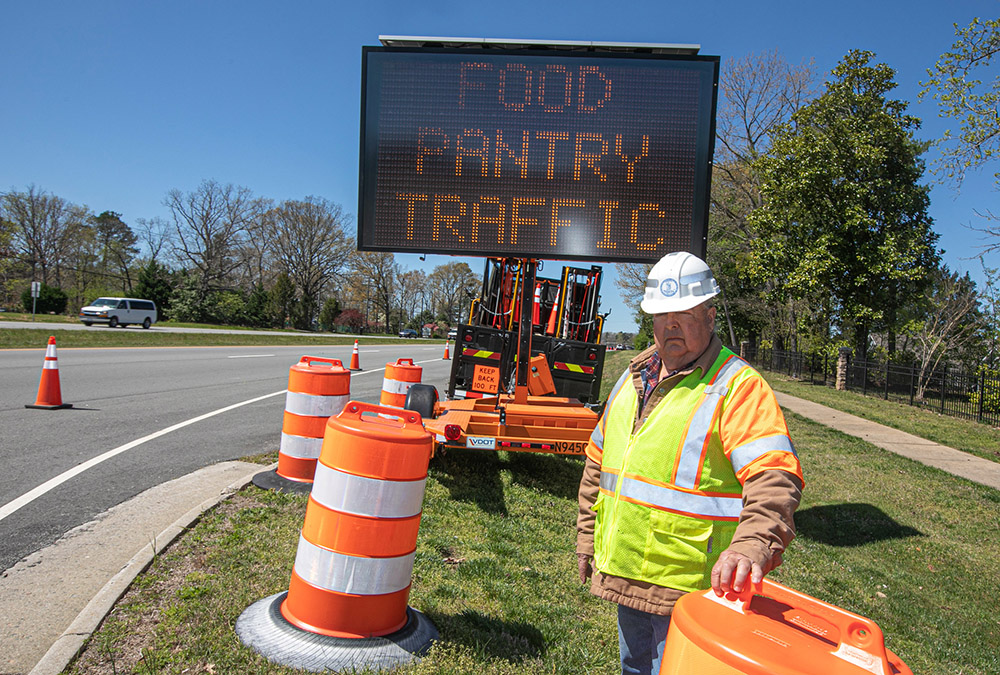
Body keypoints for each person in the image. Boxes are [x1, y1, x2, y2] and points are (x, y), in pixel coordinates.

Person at [576, 251, 803, 675]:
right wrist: (588, 538)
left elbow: (775, 477)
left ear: (711, 316)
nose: (671, 325)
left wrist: (753, 544)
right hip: (628, 579)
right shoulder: (631, 378)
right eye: (662, 314)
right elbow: (597, 465)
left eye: (685, 313)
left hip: (693, 591)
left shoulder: (737, 388)